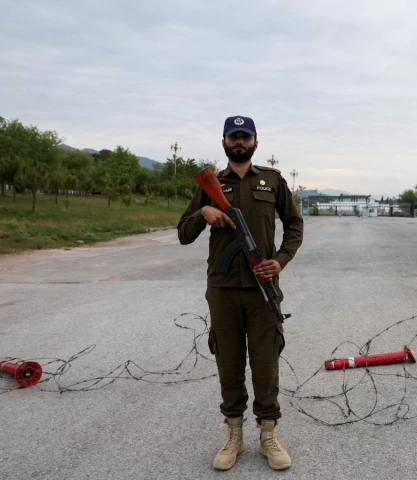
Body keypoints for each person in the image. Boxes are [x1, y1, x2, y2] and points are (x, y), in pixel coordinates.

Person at [177, 116, 304, 471]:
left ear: (255, 142)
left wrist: (280, 260)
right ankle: (234, 434)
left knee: (266, 362)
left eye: (245, 137)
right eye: (233, 137)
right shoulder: (211, 184)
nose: (239, 142)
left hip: (263, 288)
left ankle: (268, 434)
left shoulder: (273, 181)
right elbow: (183, 233)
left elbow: (294, 224)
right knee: (228, 361)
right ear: (223, 142)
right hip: (223, 289)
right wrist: (204, 212)